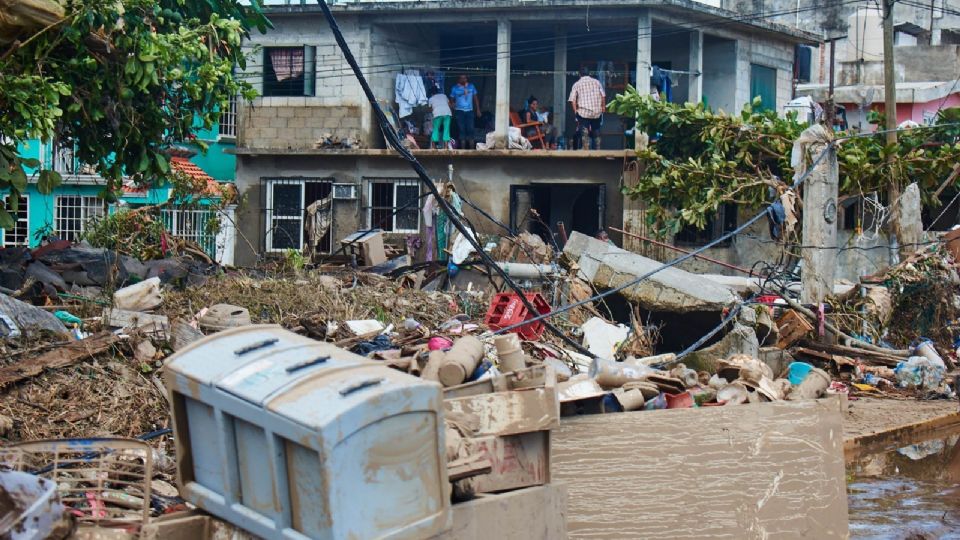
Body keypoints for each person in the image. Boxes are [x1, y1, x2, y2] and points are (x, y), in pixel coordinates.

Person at [568, 66, 605, 150]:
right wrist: (603, 107)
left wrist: (575, 111)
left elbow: (572, 99)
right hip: (596, 112)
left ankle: (586, 148)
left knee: (584, 131)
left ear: (580, 75)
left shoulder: (577, 84)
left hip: (583, 112)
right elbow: (603, 96)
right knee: (596, 130)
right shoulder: (597, 82)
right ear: (589, 74)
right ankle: (598, 149)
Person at [450, 74, 480, 150]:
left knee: (471, 129)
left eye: (465, 78)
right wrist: (452, 108)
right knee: (461, 129)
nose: (463, 79)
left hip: (470, 111)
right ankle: (463, 150)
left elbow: (475, 99)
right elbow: (451, 100)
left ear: (467, 79)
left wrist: (478, 110)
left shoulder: (471, 86)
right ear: (459, 79)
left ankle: (472, 150)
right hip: (459, 111)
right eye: (461, 78)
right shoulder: (455, 88)